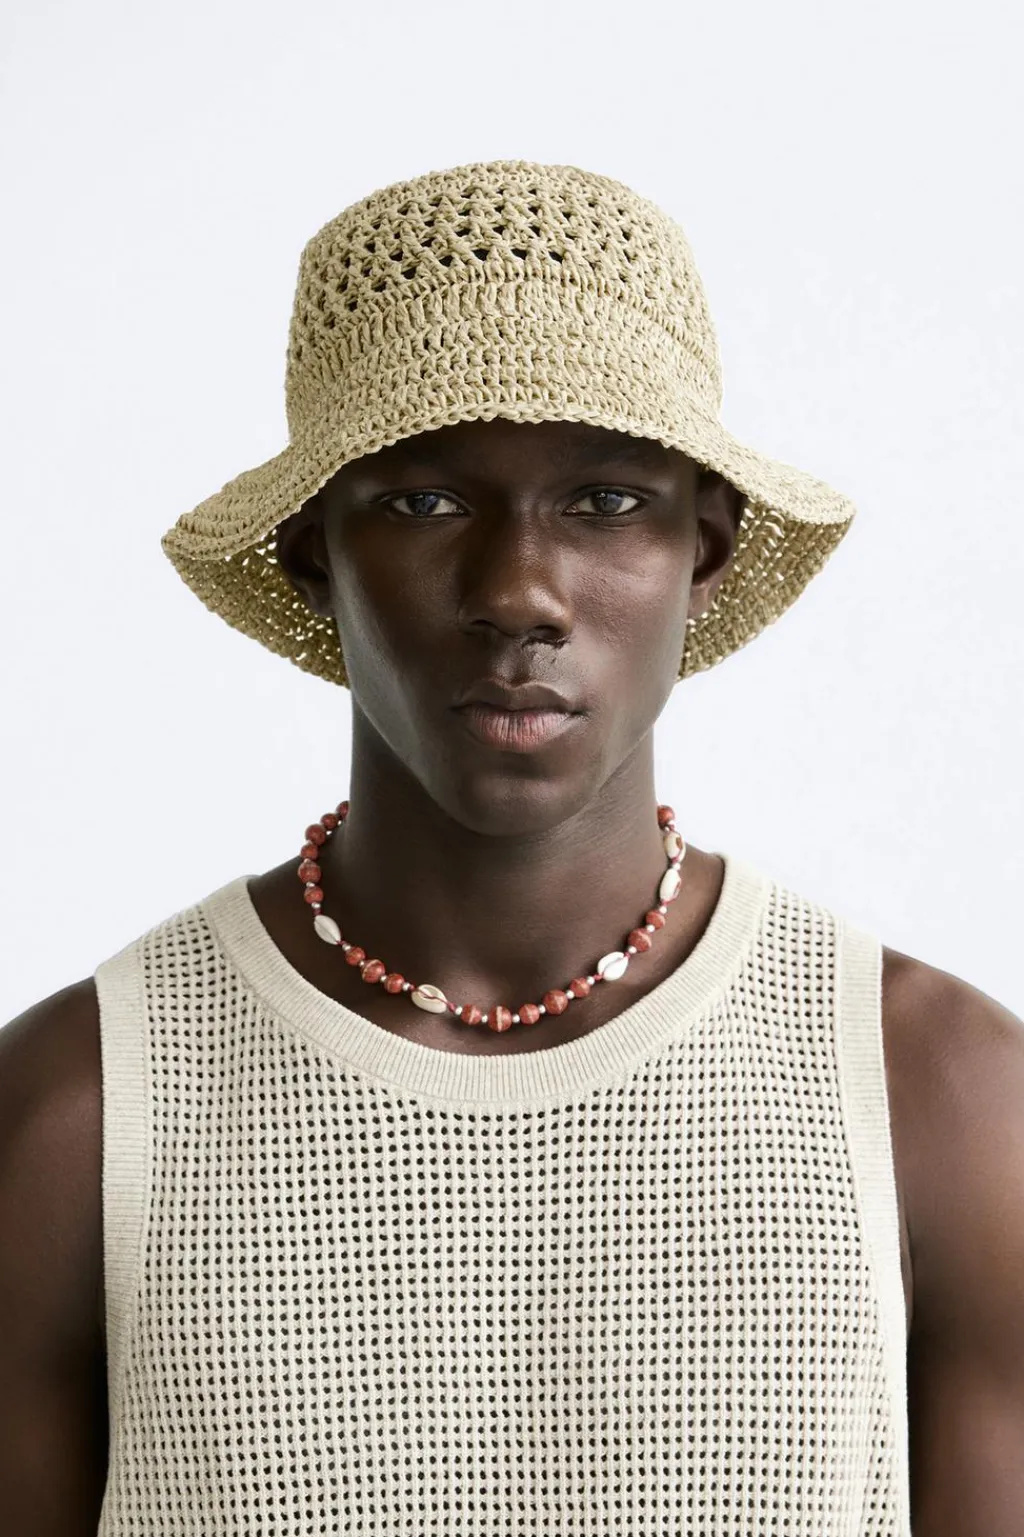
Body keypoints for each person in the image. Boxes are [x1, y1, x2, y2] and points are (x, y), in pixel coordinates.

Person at [1, 159, 1021, 1537]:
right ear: (313, 553)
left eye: (605, 500)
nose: (518, 591)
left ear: (706, 549)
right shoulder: (78, 1117)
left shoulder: (938, 1101)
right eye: (424, 501)